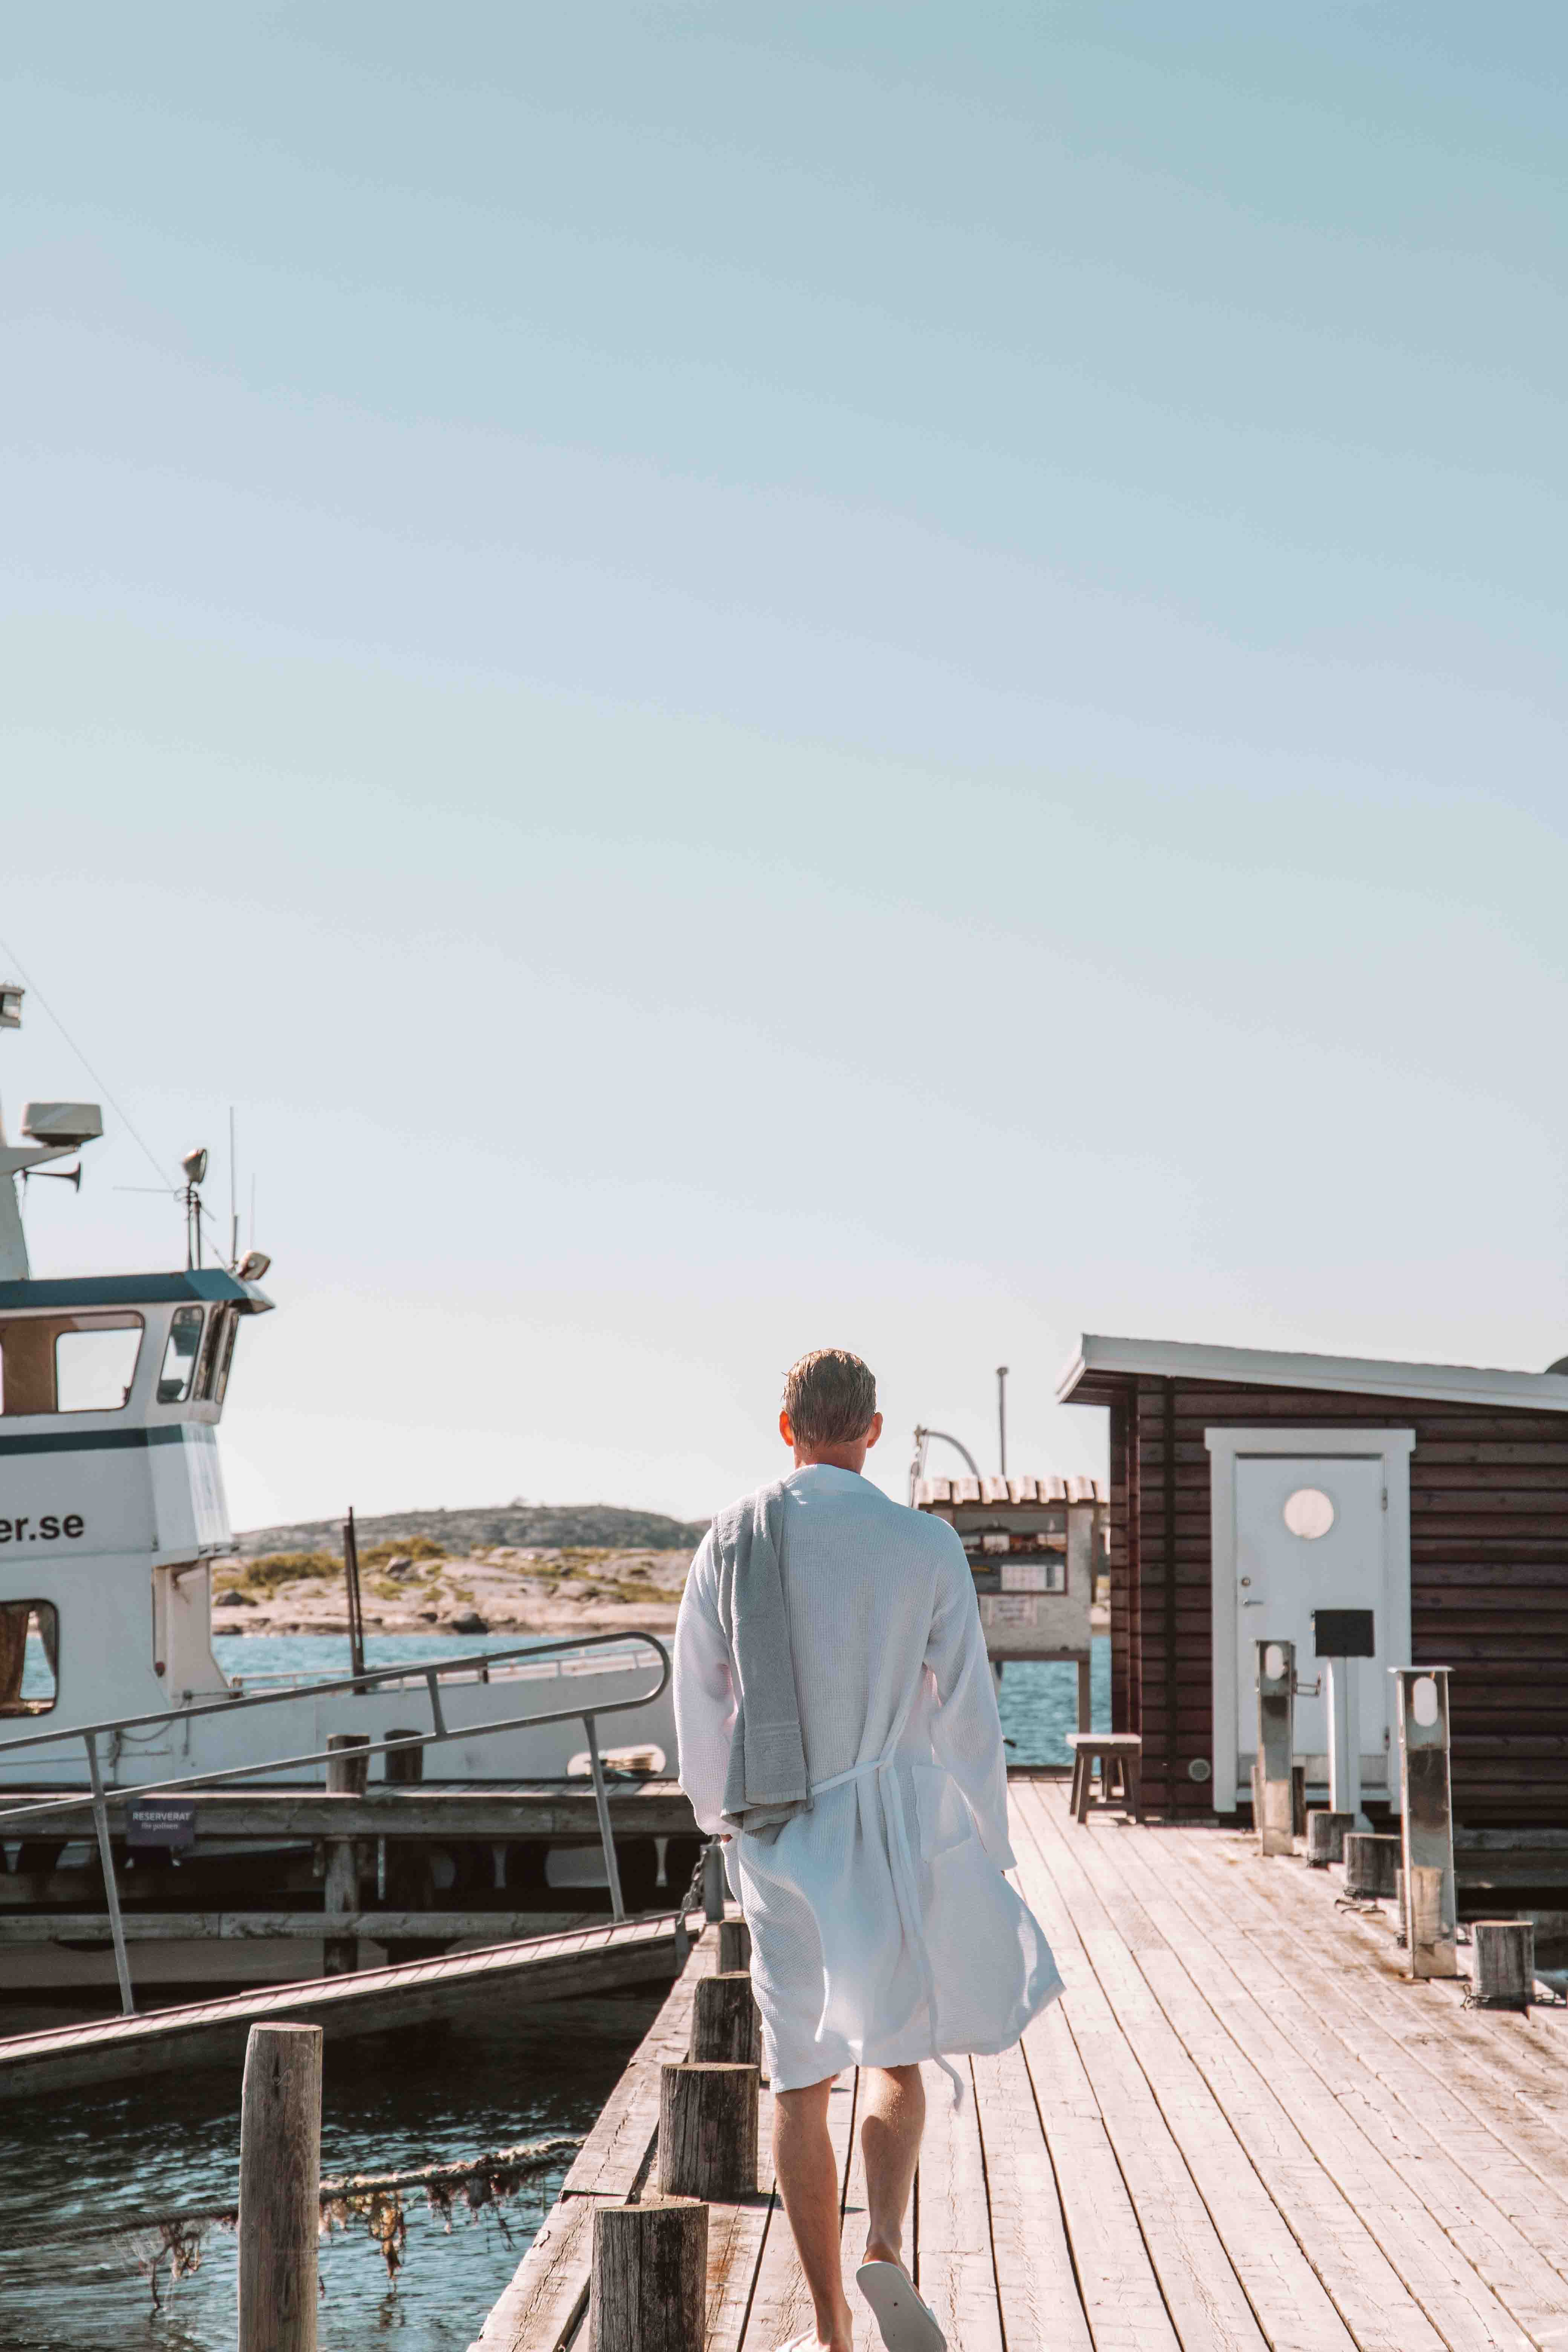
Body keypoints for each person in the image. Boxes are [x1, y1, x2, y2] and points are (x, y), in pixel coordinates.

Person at [674, 1349, 1061, 2352]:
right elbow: (973, 1713)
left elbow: (702, 1701)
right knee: (894, 2052)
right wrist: (987, 1841)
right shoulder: (923, 1544)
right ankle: (885, 2242)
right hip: (888, 1824)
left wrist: (721, 1816)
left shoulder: (733, 1537)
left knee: (801, 2081)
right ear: (875, 1431)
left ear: (785, 1425)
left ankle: (836, 2331)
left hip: (778, 1834)